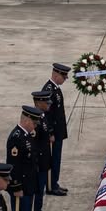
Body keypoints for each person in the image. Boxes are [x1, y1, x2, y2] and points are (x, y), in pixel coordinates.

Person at [6, 105, 43, 211]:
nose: (35, 126)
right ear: (26, 120)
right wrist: (16, 187)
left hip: (29, 185)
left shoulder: (26, 135)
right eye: (34, 123)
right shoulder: (16, 138)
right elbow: (13, 166)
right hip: (20, 187)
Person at [41, 63, 70, 196]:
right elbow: (46, 114)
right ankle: (51, 185)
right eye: (63, 77)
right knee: (53, 159)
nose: (64, 80)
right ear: (56, 75)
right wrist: (50, 132)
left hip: (58, 132)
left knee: (57, 158)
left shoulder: (55, 88)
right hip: (53, 133)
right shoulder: (49, 90)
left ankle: (54, 183)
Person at [31, 90, 53, 211]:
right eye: (46, 102)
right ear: (38, 103)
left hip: (44, 160)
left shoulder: (42, 116)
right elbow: (34, 145)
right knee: (37, 190)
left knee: (41, 190)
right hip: (39, 162)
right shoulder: (35, 120)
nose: (48, 104)